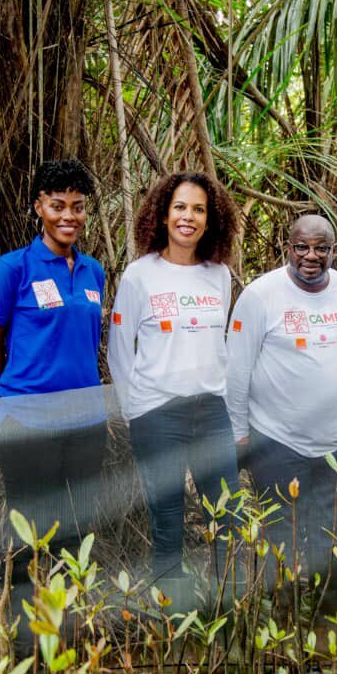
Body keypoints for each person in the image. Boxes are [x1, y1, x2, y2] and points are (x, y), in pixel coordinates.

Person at [0, 159, 107, 650]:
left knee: (78, 526)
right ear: (39, 208)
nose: (68, 216)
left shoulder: (92, 270)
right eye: (57, 206)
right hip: (28, 424)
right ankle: (30, 640)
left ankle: (71, 629)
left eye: (77, 206)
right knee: (32, 529)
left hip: (87, 423)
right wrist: (7, 403)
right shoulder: (11, 269)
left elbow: (87, 343)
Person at [226, 214, 337, 629]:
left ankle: (328, 626)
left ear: (333, 250)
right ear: (287, 247)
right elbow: (236, 372)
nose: (311, 257)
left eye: (321, 248)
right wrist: (239, 435)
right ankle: (283, 628)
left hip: (334, 444)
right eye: (302, 247)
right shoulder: (260, 296)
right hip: (276, 442)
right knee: (281, 538)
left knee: (331, 537)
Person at [107, 171, 243, 612]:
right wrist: (136, 411)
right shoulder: (139, 276)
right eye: (180, 207)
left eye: (199, 209)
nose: (188, 217)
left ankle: (225, 618)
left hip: (210, 413)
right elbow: (119, 351)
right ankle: (172, 620)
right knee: (167, 522)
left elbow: (218, 347)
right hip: (157, 415)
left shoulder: (219, 275)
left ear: (210, 220)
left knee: (225, 518)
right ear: (163, 215)